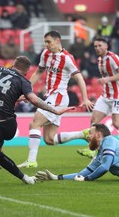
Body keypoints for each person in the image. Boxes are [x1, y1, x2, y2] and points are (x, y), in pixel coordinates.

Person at [0, 56, 74, 184]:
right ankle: (0, 160)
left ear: (13, 64)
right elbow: (34, 100)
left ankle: (10, 166)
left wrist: (14, 97)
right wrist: (55, 111)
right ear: (26, 72)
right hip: (8, 126)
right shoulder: (23, 81)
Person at [14, 31, 94, 168]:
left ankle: (31, 160)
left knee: (34, 124)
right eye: (45, 42)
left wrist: (85, 98)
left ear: (58, 41)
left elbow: (79, 77)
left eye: (49, 42)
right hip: (50, 96)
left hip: (58, 97)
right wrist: (26, 91)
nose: (46, 45)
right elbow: (38, 72)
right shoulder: (45, 55)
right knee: (49, 139)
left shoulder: (67, 58)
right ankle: (82, 134)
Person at [72, 37, 119, 158]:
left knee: (117, 124)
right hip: (105, 96)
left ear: (106, 46)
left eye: (99, 46)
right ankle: (92, 149)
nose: (97, 48)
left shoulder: (113, 58)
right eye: (95, 46)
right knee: (94, 121)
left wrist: (107, 79)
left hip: (117, 97)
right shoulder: (100, 60)